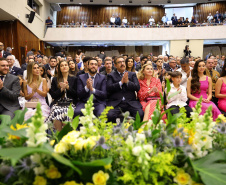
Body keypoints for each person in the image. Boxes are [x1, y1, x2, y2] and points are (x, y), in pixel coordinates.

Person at [107, 56, 144, 123]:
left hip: (130, 102)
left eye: (123, 62)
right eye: (119, 62)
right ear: (115, 65)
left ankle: (135, 131)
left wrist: (127, 82)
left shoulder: (132, 74)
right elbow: (109, 88)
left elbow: (137, 87)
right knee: (109, 115)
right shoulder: (111, 75)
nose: (122, 64)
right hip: (116, 103)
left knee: (140, 114)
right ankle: (115, 131)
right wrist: (121, 82)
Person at [45, 60, 77, 131]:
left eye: (65, 65)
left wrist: (68, 88)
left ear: (68, 67)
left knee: (67, 112)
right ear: (59, 68)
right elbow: (53, 95)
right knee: (56, 111)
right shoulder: (55, 79)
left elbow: (76, 94)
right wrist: (61, 89)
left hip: (70, 103)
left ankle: (66, 134)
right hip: (58, 103)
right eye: (61, 66)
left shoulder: (74, 79)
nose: (64, 67)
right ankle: (58, 134)